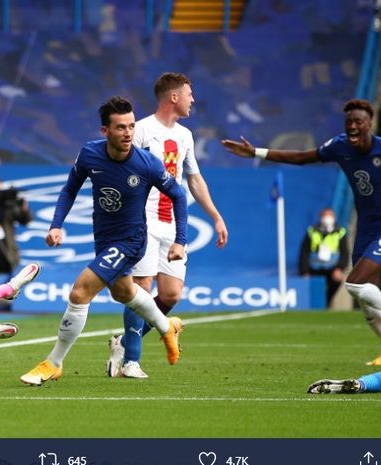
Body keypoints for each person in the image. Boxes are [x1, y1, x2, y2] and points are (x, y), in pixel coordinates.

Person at [222, 99, 381, 365]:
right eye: (349, 121)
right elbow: (302, 157)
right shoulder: (339, 146)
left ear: (369, 124)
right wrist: (257, 153)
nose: (352, 126)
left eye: (358, 122)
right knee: (364, 296)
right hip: (366, 226)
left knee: (354, 283)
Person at [20, 96, 187, 386]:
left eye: (132, 126)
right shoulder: (89, 154)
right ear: (105, 131)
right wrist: (56, 225)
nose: (128, 133)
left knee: (80, 292)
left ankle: (53, 363)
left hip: (131, 240)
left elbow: (179, 195)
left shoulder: (147, 163)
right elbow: (70, 189)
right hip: (104, 239)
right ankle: (166, 325)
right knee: (124, 293)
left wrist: (180, 241)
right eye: (121, 127)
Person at [106, 72, 228, 379]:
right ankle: (132, 361)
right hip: (142, 220)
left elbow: (194, 179)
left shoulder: (185, 136)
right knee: (142, 288)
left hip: (172, 223)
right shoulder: (142, 130)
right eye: (189, 93)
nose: (193, 99)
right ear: (173, 97)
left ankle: (123, 341)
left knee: (171, 295)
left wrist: (215, 215)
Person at [298, 208, 349, 307]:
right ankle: (315, 304)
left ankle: (326, 302)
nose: (327, 219)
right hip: (314, 267)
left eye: (330, 216)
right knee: (313, 287)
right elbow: (304, 252)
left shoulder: (340, 232)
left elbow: (344, 253)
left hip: (332, 267)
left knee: (336, 281)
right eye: (325, 216)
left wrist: (340, 268)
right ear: (321, 217)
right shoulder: (312, 231)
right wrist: (304, 271)